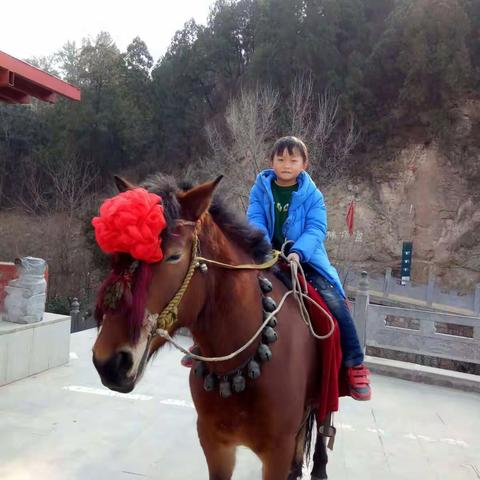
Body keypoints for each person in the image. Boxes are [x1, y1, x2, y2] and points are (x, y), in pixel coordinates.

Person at [246, 136, 371, 401]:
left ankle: (354, 363)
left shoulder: (313, 195)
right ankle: (207, 348)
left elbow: (316, 229)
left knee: (334, 302)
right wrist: (265, 249)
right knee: (230, 283)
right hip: (265, 255)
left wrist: (297, 253)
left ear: (304, 164)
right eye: (280, 159)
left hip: (306, 259)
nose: (286, 165)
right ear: (272, 162)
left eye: (293, 160)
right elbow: (255, 219)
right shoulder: (260, 188)